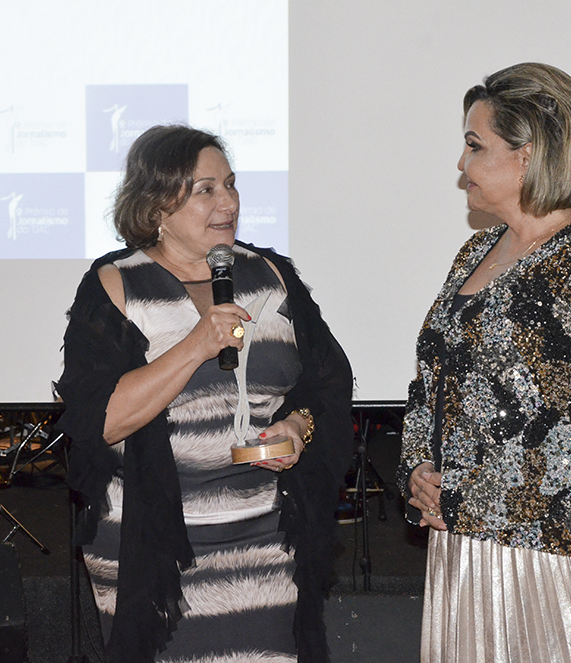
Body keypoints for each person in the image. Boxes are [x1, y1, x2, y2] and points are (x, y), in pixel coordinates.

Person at [55, 125, 353, 663]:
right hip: (156, 547)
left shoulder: (270, 276)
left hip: (268, 539)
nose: (229, 203)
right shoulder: (115, 285)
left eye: (231, 185)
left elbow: (326, 383)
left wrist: (297, 426)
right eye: (206, 190)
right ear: (156, 205)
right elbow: (101, 421)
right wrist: (196, 344)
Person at [398, 63, 571, 663]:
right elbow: (432, 383)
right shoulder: (476, 250)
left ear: (529, 154)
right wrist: (419, 469)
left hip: (546, 545)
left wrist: (458, 496)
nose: (461, 163)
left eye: (475, 145)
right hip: (464, 539)